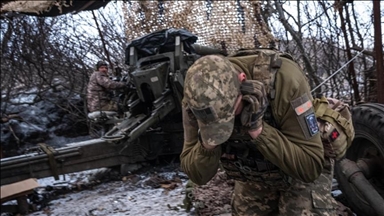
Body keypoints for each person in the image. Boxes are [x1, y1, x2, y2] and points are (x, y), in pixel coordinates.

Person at [180, 50, 338, 215]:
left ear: (243, 81)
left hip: (298, 164)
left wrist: (258, 129)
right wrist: (208, 141)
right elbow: (197, 176)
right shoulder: (196, 97)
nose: (225, 124)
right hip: (256, 169)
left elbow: (310, 167)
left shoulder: (286, 80)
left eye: (230, 114)